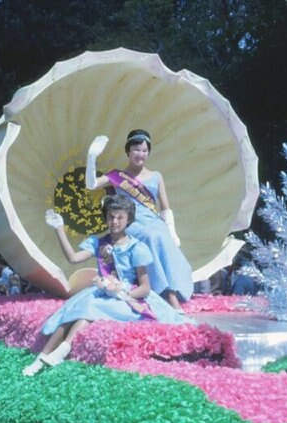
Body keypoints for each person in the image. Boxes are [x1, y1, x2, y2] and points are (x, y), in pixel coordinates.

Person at [23, 195, 188, 376]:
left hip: (128, 299)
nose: (114, 222)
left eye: (119, 217)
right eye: (111, 217)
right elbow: (73, 259)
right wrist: (59, 229)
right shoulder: (99, 242)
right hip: (103, 293)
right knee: (74, 312)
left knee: (88, 308)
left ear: (128, 220)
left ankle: (63, 349)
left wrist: (121, 293)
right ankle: (40, 359)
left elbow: (145, 287)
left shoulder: (136, 247)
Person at [85, 129, 194, 309]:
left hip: (155, 222)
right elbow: (91, 185)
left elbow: (165, 207)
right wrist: (92, 157)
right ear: (128, 152)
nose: (140, 154)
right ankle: (168, 294)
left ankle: (172, 290)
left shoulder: (156, 176)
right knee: (151, 237)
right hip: (132, 223)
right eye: (136, 149)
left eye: (144, 150)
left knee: (162, 238)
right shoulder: (116, 177)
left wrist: (172, 231)